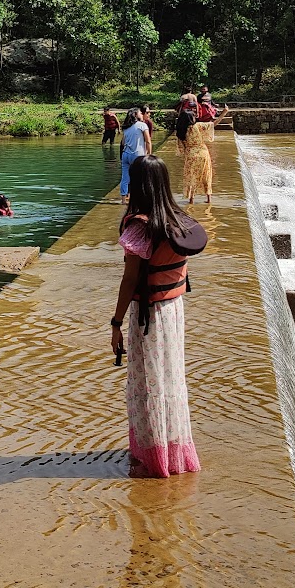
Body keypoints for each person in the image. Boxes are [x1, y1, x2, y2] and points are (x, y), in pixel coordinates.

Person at [109, 155, 204, 478]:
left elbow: (130, 279)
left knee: (148, 383)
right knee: (171, 379)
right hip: (173, 311)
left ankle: (154, 457)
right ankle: (174, 447)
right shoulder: (179, 221)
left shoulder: (139, 225)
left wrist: (116, 323)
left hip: (148, 314)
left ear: (137, 185)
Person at [175, 92, 214, 205]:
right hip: (203, 153)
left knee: (190, 177)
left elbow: (181, 149)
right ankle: (208, 199)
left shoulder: (181, 132)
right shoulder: (197, 127)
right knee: (206, 176)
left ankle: (191, 200)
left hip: (190, 156)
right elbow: (212, 124)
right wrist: (224, 113)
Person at [119, 108, 151, 197]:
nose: (142, 114)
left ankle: (123, 199)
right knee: (139, 177)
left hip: (125, 154)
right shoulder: (142, 125)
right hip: (137, 155)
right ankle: (139, 197)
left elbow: (123, 143)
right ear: (136, 115)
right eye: (140, 113)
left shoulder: (126, 127)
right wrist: (149, 154)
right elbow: (148, 141)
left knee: (125, 178)